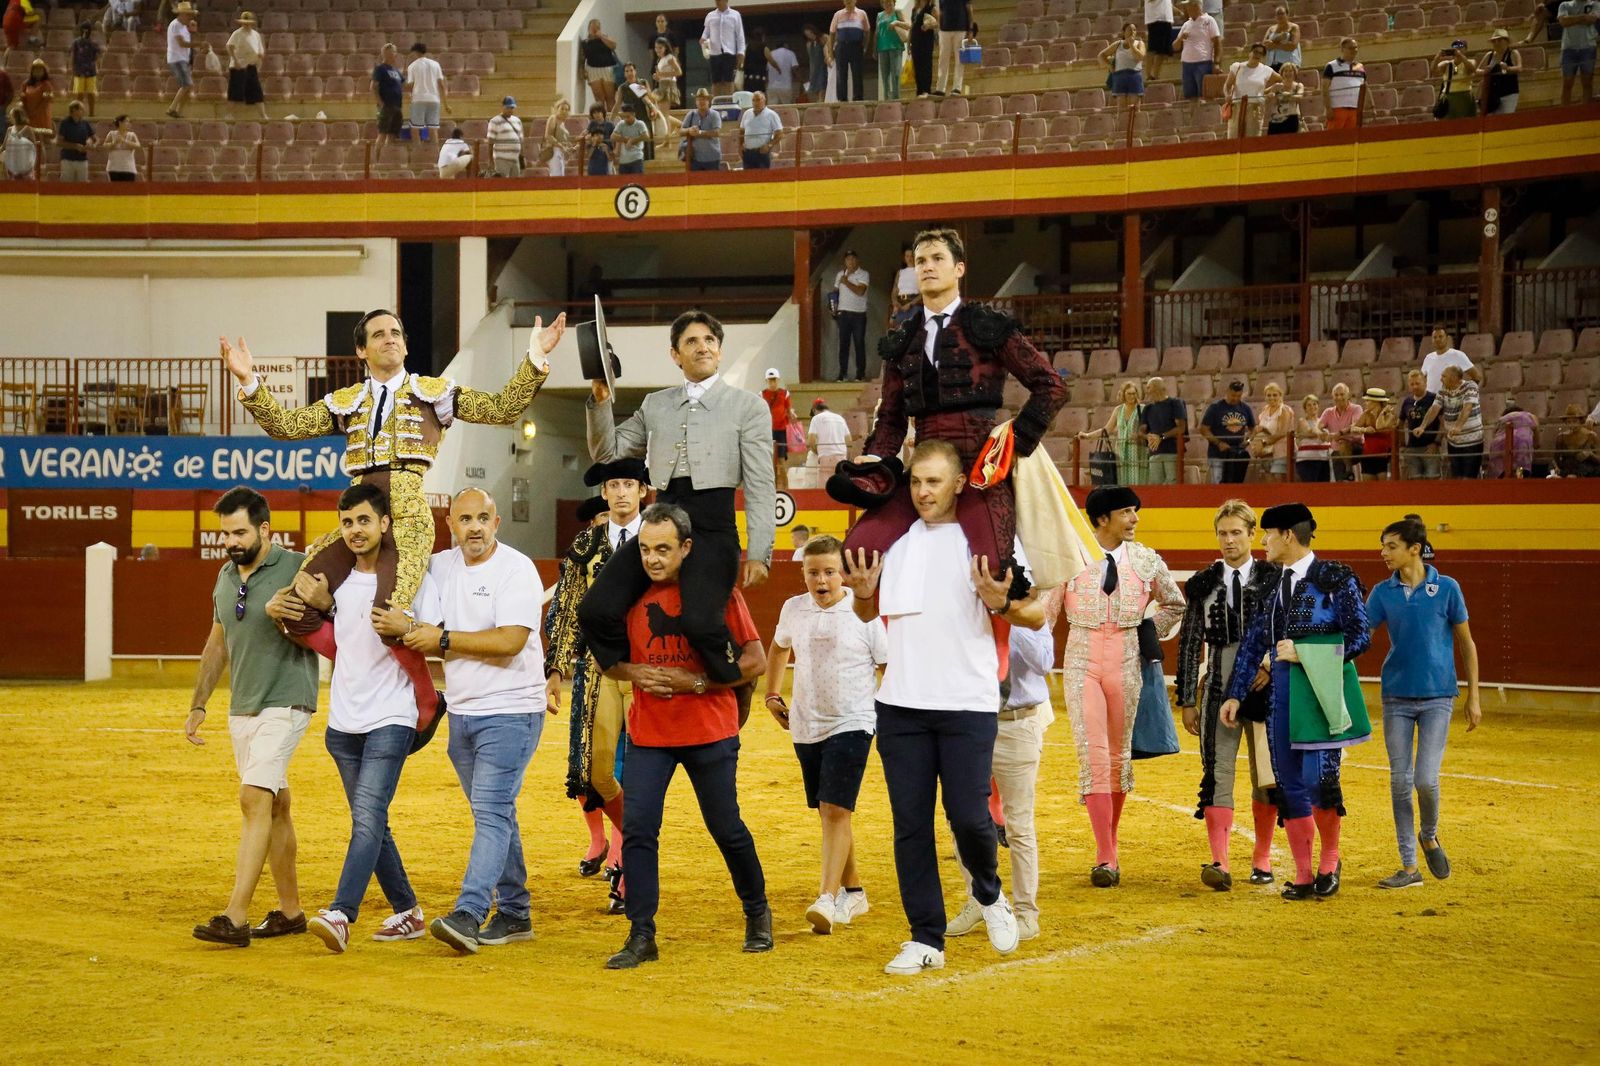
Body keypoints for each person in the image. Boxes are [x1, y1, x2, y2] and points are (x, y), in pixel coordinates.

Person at [222, 309, 564, 737]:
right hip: (359, 513)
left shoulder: (433, 392)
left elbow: (500, 408)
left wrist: (535, 355)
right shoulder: (346, 400)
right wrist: (249, 381)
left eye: (396, 333)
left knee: (388, 617)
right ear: (362, 349)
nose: (391, 339)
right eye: (379, 334)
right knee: (290, 609)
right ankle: (357, 667)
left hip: (405, 516)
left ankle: (425, 698)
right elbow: (287, 426)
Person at [841, 440, 1049, 974]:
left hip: (967, 704)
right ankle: (925, 938)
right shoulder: (896, 539)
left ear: (960, 482)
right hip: (901, 705)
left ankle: (989, 892)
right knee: (910, 826)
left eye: (934, 481)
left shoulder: (989, 538)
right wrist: (864, 593)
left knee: (969, 817)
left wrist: (1001, 602)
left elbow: (1038, 614)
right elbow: (869, 614)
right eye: (915, 482)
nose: (923, 492)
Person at [373, 488, 548, 953]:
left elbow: (510, 640)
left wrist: (442, 639)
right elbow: (407, 606)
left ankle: (470, 913)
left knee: (491, 812)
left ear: (497, 521)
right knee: (497, 814)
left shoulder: (516, 568)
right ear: (450, 523)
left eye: (482, 518)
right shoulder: (439, 566)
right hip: (465, 711)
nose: (474, 527)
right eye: (464, 518)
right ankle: (514, 913)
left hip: (511, 710)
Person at [840, 227, 1066, 585]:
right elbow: (891, 419)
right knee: (855, 555)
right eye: (920, 261)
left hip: (981, 469)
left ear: (959, 268)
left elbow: (1051, 386)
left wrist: (1014, 442)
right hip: (924, 471)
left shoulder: (988, 325)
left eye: (937, 259)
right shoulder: (902, 339)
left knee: (995, 571)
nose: (927, 267)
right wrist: (876, 464)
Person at [600, 503, 771, 968]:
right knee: (638, 832)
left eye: (664, 549)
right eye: (646, 549)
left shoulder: (716, 593)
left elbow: (754, 661)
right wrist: (632, 669)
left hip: (708, 729)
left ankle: (757, 913)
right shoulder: (628, 595)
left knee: (726, 827)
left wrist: (695, 682)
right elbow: (606, 657)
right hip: (650, 732)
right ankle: (642, 934)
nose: (653, 559)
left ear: (686, 548)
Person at [579, 309, 775, 708]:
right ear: (675, 354)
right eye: (691, 341)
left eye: (710, 341)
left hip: (713, 528)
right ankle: (637, 674)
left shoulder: (748, 407)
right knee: (595, 609)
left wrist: (759, 552)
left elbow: (760, 484)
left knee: (701, 623)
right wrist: (600, 400)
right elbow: (608, 452)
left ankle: (732, 682)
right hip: (658, 528)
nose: (702, 347)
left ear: (719, 352)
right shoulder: (655, 404)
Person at [279, 484, 438, 953]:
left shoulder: (410, 581)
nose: (355, 531)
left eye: (364, 521)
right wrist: (321, 607)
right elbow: (337, 642)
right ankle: (408, 911)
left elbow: (420, 639)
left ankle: (341, 913)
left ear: (385, 524)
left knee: (367, 819)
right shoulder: (339, 583)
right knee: (374, 822)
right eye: (347, 522)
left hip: (391, 715)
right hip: (344, 723)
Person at [186, 487, 320, 948]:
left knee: (253, 798)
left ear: (265, 528)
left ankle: (235, 917)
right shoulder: (224, 577)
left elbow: (328, 620)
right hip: (242, 706)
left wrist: (300, 614)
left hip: (287, 699)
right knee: (276, 806)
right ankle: (290, 911)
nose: (231, 541)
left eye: (240, 531)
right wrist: (198, 703)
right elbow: (217, 643)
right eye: (225, 533)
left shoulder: (298, 566)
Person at [1220, 503, 1371, 902]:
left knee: (1320, 780)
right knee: (1288, 784)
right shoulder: (1271, 583)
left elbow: (1360, 637)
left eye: (1267, 534)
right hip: (1279, 695)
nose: (1263, 542)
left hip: (1320, 691)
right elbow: (1254, 642)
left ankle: (1329, 861)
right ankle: (1304, 873)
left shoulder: (1334, 578)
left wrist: (1304, 653)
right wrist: (1236, 693)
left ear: (1287, 535)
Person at [1059, 485, 1185, 887]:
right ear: (1101, 519)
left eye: (1135, 511)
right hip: (1081, 662)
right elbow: (1043, 617)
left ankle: (1108, 847)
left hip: (1128, 662)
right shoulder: (1068, 555)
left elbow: (1175, 604)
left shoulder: (1146, 560)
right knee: (1094, 756)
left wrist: (1149, 628)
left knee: (1117, 757)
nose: (1134, 519)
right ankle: (1105, 855)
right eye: (1127, 512)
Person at [765, 534, 887, 934]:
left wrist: (889, 716)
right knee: (830, 809)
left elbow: (887, 666)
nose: (821, 580)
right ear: (803, 574)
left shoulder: (864, 611)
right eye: (812, 573)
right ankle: (853, 892)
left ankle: (827, 897)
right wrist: (770, 693)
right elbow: (779, 647)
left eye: (830, 572)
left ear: (844, 574)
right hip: (805, 722)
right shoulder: (793, 609)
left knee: (835, 809)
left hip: (853, 720)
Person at [547, 461, 648, 911]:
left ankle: (632, 868)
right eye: (614, 486)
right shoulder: (585, 545)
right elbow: (567, 607)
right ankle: (632, 842)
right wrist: (555, 670)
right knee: (591, 772)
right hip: (597, 668)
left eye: (629, 484)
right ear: (604, 493)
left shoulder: (657, 537)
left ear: (643, 491)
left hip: (651, 668)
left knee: (646, 772)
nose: (622, 493)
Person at [1368, 515, 1481, 889]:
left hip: (1437, 697)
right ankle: (1408, 866)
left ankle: (1429, 834)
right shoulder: (1382, 592)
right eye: (1383, 545)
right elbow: (1359, 637)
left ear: (1414, 549)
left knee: (1425, 780)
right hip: (1395, 696)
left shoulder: (1447, 588)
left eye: (1391, 546)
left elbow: (1467, 644)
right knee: (1400, 782)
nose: (1384, 553)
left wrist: (1474, 696)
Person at [1176, 500, 1282, 891]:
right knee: (1217, 771)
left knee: (1266, 775)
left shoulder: (1274, 577)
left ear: (1252, 534)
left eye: (1237, 532)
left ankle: (1262, 857)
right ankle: (1219, 861)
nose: (1229, 540)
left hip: (1265, 684)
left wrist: (1269, 664)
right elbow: (1189, 642)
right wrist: (1188, 698)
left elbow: (1287, 627)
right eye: (1223, 533)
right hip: (1219, 684)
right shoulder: (1203, 582)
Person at [947, 587, 1058, 940]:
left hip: (1017, 723)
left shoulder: (1033, 614)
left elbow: (1042, 663)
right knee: (963, 820)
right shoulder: (968, 613)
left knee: (1019, 825)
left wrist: (1010, 620)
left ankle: (1026, 911)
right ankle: (979, 900)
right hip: (969, 724)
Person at [1080, 380, 1146, 485]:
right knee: (1121, 483)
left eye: (1134, 393)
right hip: (1121, 453)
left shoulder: (1142, 409)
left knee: (1137, 483)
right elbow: (1107, 429)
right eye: (1129, 393)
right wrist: (1088, 435)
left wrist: (1139, 435)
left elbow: (1147, 430)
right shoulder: (1118, 410)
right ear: (1123, 394)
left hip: (1137, 452)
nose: (1131, 396)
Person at [1200, 380, 1256, 484]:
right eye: (1233, 395)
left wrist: (1247, 441)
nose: (1235, 398)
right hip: (1217, 452)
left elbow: (1253, 429)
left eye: (1238, 396)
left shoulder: (1245, 408)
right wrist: (1218, 443)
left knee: (1235, 482)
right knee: (1217, 479)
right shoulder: (1215, 407)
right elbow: (1204, 429)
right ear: (1227, 392)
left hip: (1237, 452)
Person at [1224, 43, 1281, 136]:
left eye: (1260, 53)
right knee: (1233, 136)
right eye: (1255, 52)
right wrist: (1227, 95)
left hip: (1255, 106)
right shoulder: (1237, 67)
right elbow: (1227, 85)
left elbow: (1281, 81)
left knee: (1252, 137)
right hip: (1237, 105)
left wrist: (1269, 91)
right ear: (1250, 52)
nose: (1257, 55)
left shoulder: (1266, 70)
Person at [1437, 364, 1483, 479]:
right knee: (1456, 477)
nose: (1440, 379)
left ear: (1453, 378)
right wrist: (1423, 426)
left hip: (1472, 441)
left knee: (1469, 478)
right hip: (1453, 441)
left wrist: (1458, 427)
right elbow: (1434, 408)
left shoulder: (1470, 386)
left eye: (1444, 376)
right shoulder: (1443, 390)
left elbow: (1467, 408)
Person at [1139, 377, 1186, 484]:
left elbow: (1181, 428)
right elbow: (1141, 431)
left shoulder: (1175, 403)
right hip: (1154, 453)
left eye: (1149, 387)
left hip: (1172, 451)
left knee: (1172, 484)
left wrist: (1161, 437)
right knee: (1155, 485)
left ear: (1157, 388)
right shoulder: (1148, 408)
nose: (1147, 391)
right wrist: (1149, 437)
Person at [1173, 0, 1220, 103]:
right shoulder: (1186, 24)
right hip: (1187, 64)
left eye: (1189, 6)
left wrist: (1216, 62)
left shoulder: (1209, 20)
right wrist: (1180, 38)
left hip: (1203, 63)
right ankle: (1194, 116)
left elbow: (1217, 42)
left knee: (1205, 94)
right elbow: (1175, 47)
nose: (1186, 9)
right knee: (1191, 96)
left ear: (1197, 6)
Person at [225, 11, 268, 122]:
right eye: (245, 23)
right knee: (235, 90)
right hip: (238, 66)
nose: (246, 25)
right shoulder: (237, 33)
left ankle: (263, 115)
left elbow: (260, 49)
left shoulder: (256, 35)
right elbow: (229, 47)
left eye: (248, 23)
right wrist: (236, 61)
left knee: (257, 90)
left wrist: (260, 57)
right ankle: (229, 114)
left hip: (251, 65)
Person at [1399, 370, 1441, 480]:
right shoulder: (1407, 401)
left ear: (1425, 382)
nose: (1415, 387)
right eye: (1412, 384)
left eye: (1418, 383)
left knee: (1432, 479)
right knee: (1415, 480)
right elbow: (1400, 423)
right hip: (1412, 447)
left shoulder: (1434, 398)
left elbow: (1443, 421)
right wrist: (1403, 445)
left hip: (1430, 447)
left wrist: (1436, 443)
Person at [835, 250, 870, 381]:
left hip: (858, 314)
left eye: (853, 259)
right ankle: (842, 373)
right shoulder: (840, 275)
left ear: (857, 260)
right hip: (843, 313)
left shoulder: (864, 274)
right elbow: (835, 291)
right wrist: (833, 305)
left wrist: (846, 282)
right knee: (843, 344)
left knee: (859, 343)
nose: (851, 262)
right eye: (848, 259)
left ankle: (860, 373)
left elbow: (860, 291)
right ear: (845, 261)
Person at [1249, 382, 1293, 482]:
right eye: (1269, 395)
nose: (1271, 398)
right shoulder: (1265, 410)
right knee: (1268, 479)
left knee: (1278, 478)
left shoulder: (1285, 410)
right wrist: (1260, 430)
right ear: (1265, 397)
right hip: (1266, 453)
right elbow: (1265, 429)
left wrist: (1263, 442)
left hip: (1281, 451)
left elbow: (1283, 432)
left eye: (1275, 395)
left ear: (1280, 395)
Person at [1101, 24, 1146, 122]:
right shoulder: (1117, 44)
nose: (1132, 32)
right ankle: (1122, 128)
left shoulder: (1139, 43)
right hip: (1120, 76)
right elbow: (1101, 55)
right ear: (1124, 32)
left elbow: (1140, 57)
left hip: (1134, 75)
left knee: (1135, 108)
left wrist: (1131, 45)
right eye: (1130, 30)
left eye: (1134, 30)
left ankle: (1135, 130)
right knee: (1121, 108)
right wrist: (1109, 66)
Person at [405, 42, 448, 142]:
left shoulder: (412, 66)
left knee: (415, 129)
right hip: (434, 99)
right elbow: (441, 85)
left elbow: (410, 85)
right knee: (433, 129)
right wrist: (446, 104)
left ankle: (417, 153)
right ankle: (435, 154)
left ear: (415, 52)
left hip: (418, 99)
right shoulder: (436, 64)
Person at [702, 0, 746, 98]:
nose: (717, 2)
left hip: (729, 51)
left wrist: (741, 52)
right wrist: (703, 38)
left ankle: (728, 102)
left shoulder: (735, 15)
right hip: (714, 52)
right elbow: (706, 31)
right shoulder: (710, 15)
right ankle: (715, 104)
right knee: (715, 81)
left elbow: (740, 36)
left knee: (728, 80)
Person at [1319, 382, 1362, 482]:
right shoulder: (1328, 412)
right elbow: (1319, 427)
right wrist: (1322, 432)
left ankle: (1348, 470)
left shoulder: (1356, 408)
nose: (1339, 397)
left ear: (1348, 395)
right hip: (1336, 450)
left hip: (1355, 446)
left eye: (1342, 394)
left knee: (1343, 443)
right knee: (1339, 481)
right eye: (1336, 395)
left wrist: (1340, 434)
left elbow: (1356, 425)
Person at [1557, 0, 1598, 104]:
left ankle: (1585, 112)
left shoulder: (1595, 4)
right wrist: (1583, 17)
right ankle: (1565, 113)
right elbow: (1563, 22)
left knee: (1587, 82)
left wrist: (1572, 19)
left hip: (1588, 47)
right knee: (1567, 83)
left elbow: (1591, 20)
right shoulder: (1565, 5)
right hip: (1568, 48)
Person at [1322, 37, 1367, 131]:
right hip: (1337, 109)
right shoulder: (1331, 66)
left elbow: (1365, 88)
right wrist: (1328, 109)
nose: (1354, 50)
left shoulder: (1361, 67)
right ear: (1342, 49)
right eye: (1350, 48)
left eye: (1355, 47)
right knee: (1334, 138)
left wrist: (1370, 106)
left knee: (1351, 139)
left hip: (1355, 110)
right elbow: (1324, 88)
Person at [1486, 399, 1538, 479]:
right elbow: (1536, 431)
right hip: (1521, 443)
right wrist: (1536, 445)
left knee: (1502, 475)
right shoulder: (1529, 415)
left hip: (1500, 445)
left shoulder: (1502, 419)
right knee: (1520, 473)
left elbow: (1494, 434)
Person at [831, 0, 870, 102]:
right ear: (844, 2)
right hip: (842, 47)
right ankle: (842, 98)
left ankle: (858, 97)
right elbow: (832, 33)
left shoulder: (862, 14)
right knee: (841, 74)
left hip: (856, 47)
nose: (849, 1)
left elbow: (867, 31)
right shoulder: (838, 14)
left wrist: (865, 47)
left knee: (857, 73)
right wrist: (831, 50)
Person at [370, 43, 404, 161]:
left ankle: (386, 159)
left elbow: (405, 85)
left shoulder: (396, 71)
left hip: (397, 107)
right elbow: (373, 86)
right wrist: (380, 103)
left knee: (392, 135)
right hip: (386, 106)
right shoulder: (380, 69)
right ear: (387, 53)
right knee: (382, 133)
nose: (396, 54)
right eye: (393, 52)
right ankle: (376, 160)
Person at [1355, 387, 1397, 481]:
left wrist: (1382, 413)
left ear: (1376, 402)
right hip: (1368, 454)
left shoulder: (1389, 415)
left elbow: (1379, 426)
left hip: (1384, 456)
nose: (1365, 403)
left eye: (1368, 401)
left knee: (1383, 487)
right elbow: (1353, 428)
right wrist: (1364, 429)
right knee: (1368, 488)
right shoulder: (1366, 414)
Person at [762, 368, 794, 490]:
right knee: (769, 462)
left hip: (781, 431)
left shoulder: (784, 394)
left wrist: (791, 414)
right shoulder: (762, 394)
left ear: (778, 380)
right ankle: (771, 488)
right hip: (767, 431)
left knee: (781, 461)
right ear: (766, 381)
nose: (772, 383)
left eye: (774, 380)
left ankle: (786, 488)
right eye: (770, 380)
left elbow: (788, 409)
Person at [164, 2, 197, 119]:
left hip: (183, 59)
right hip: (176, 59)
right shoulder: (175, 25)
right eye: (187, 15)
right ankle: (172, 108)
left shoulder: (183, 27)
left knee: (188, 86)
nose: (189, 17)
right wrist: (199, 44)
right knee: (187, 84)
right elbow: (182, 43)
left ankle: (178, 110)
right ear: (182, 14)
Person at [808, 397, 852, 481]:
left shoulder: (816, 418)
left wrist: (817, 452)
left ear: (814, 410)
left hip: (826, 456)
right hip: (841, 456)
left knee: (825, 488)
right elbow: (848, 439)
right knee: (841, 485)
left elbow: (811, 440)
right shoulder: (840, 418)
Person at [581, 20, 620, 113]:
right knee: (599, 99)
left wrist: (601, 36)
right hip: (593, 69)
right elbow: (582, 57)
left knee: (610, 97)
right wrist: (582, 70)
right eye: (592, 27)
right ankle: (601, 120)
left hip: (608, 69)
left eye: (597, 27)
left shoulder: (605, 38)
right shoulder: (585, 42)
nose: (594, 29)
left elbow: (614, 46)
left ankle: (612, 120)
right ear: (588, 29)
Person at [1480, 28, 1522, 113]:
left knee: (1506, 117)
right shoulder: (1489, 55)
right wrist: (1485, 71)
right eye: (1494, 41)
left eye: (1499, 40)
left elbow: (1519, 68)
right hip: (1492, 94)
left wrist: (1508, 68)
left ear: (1506, 41)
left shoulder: (1513, 53)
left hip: (1509, 92)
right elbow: (1477, 70)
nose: (1496, 43)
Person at [1420, 326, 1474, 393]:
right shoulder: (1428, 357)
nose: (1437, 339)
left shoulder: (1458, 355)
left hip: (1451, 399)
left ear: (1447, 338)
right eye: (1435, 337)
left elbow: (1476, 376)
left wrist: (1466, 393)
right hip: (1431, 400)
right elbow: (1421, 379)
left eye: (1440, 336)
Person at [738, 89, 782, 169]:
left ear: (764, 100)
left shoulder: (772, 114)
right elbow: (742, 131)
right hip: (748, 153)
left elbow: (779, 133)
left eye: (758, 100)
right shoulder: (747, 113)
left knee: (763, 178)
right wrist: (740, 145)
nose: (756, 103)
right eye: (753, 100)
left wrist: (769, 145)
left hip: (762, 153)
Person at [1433, 39, 1477, 120]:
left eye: (1460, 46)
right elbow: (1433, 71)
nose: (1457, 49)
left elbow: (1472, 69)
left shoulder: (1470, 61)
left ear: (1466, 49)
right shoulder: (1446, 64)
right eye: (1455, 47)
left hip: (1464, 96)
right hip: (1448, 97)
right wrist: (1437, 57)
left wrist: (1461, 56)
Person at [681, 88, 722, 171]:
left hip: (713, 157)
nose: (701, 102)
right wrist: (689, 130)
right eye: (699, 99)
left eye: (703, 99)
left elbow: (716, 133)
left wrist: (699, 133)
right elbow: (681, 131)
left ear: (708, 101)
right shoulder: (691, 114)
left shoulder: (715, 115)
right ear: (696, 102)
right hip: (695, 158)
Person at [935, 0, 970, 95]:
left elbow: (968, 8)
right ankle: (940, 88)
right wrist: (938, 28)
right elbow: (941, 11)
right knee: (943, 59)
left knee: (959, 59)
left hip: (960, 28)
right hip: (944, 29)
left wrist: (970, 28)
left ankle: (957, 88)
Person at [1294, 393, 1331, 481]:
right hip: (1307, 460)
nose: (1312, 407)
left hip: (1324, 459)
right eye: (1309, 405)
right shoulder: (1302, 421)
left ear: (1318, 406)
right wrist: (1320, 433)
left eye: (1314, 404)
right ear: (1305, 408)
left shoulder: (1323, 421)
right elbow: (1309, 431)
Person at [1555, 404, 1600, 476]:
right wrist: (1557, 468)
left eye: (1575, 421)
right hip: (1567, 471)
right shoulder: (1561, 437)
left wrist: (1590, 455)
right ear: (1565, 423)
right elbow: (1556, 459)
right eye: (1569, 422)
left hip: (1586, 472)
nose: (1572, 424)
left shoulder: (1591, 436)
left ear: (1580, 421)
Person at [69, 22, 103, 118]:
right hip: (79, 71)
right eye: (83, 29)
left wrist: (94, 64)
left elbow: (98, 55)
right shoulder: (76, 42)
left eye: (87, 29)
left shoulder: (93, 43)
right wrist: (73, 69)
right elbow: (73, 56)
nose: (85, 31)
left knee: (91, 94)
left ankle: (91, 113)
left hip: (91, 71)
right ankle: (78, 114)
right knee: (79, 94)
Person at [874, 8, 908, 101]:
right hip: (882, 48)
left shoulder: (897, 12)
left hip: (896, 47)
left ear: (894, 2)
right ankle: (887, 100)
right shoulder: (879, 15)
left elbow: (907, 26)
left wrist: (896, 22)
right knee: (885, 77)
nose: (887, 4)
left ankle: (896, 99)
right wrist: (875, 49)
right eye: (885, 2)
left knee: (896, 75)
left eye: (889, 2)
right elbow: (877, 33)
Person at [56, 100, 94, 183]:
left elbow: (95, 138)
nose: (83, 111)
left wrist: (91, 143)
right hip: (68, 160)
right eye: (81, 109)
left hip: (82, 159)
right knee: (67, 185)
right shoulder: (65, 123)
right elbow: (59, 142)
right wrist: (75, 146)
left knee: (82, 186)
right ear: (74, 110)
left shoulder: (85, 123)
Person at [487, 96, 524, 178]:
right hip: (501, 158)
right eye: (508, 107)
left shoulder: (517, 121)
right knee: (502, 183)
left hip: (515, 158)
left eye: (512, 108)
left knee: (516, 184)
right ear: (502, 107)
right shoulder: (495, 121)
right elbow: (490, 142)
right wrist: (490, 160)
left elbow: (520, 140)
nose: (510, 110)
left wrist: (522, 155)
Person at [1265, 61, 1304, 133]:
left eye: (1290, 71)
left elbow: (1300, 96)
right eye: (1285, 71)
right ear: (1282, 73)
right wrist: (1271, 96)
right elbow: (1269, 98)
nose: (1288, 73)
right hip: (1276, 119)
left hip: (1292, 118)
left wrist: (1288, 95)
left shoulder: (1298, 86)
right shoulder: (1276, 86)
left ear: (1294, 73)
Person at [611, 100, 649, 175]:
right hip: (623, 160)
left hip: (637, 158)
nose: (626, 119)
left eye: (628, 117)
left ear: (633, 114)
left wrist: (633, 140)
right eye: (624, 117)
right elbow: (613, 136)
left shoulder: (640, 124)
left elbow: (646, 136)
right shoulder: (621, 124)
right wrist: (626, 139)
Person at [908, 0, 937, 98]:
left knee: (926, 64)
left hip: (926, 39)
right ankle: (919, 90)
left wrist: (929, 26)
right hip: (915, 40)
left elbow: (938, 23)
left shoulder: (931, 8)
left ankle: (926, 90)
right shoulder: (914, 9)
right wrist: (908, 43)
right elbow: (912, 27)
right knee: (917, 65)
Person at [888, 245, 919, 329]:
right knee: (896, 330)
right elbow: (895, 289)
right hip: (900, 304)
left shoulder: (920, 271)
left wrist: (911, 303)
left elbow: (923, 292)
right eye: (907, 256)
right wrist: (894, 301)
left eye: (912, 256)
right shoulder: (900, 272)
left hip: (913, 304)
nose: (909, 258)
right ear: (904, 258)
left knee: (911, 330)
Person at [2, 105, 35, 179]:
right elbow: (4, 146)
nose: (9, 117)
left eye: (11, 115)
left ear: (16, 117)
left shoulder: (28, 129)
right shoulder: (9, 129)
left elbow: (34, 146)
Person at [20, 58, 53, 134]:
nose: (38, 71)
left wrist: (35, 112)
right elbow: (22, 98)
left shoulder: (47, 85)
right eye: (35, 69)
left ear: (44, 71)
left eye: (40, 69)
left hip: (42, 115)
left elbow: (46, 101)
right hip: (27, 114)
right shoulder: (25, 84)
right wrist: (26, 111)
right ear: (32, 71)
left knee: (41, 137)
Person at [1144, 0, 1175, 80]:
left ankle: (1156, 75)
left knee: (1162, 51)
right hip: (1156, 20)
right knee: (1152, 49)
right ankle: (1148, 74)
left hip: (1166, 20)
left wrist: (1178, 12)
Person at [103, 113, 138, 181]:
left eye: (129, 122)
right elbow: (105, 145)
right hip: (114, 167)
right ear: (120, 123)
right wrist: (114, 143)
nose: (129, 123)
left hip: (128, 168)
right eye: (127, 121)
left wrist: (124, 141)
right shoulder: (111, 133)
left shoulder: (132, 135)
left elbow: (138, 145)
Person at [653, 37, 683, 109]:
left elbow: (679, 72)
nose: (658, 50)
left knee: (664, 112)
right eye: (656, 47)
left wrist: (662, 74)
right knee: (660, 112)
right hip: (661, 85)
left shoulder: (670, 58)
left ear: (665, 47)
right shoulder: (660, 60)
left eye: (660, 48)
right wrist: (658, 77)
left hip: (668, 86)